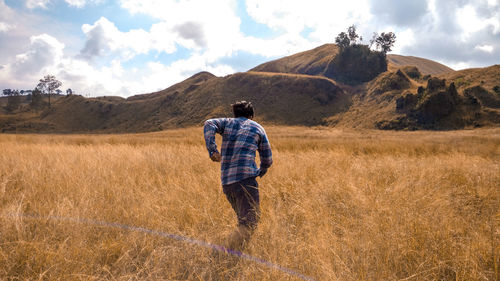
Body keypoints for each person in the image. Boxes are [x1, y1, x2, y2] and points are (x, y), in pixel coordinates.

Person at [203, 101, 273, 251]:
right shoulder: (257, 127)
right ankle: (225, 252)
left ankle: (238, 253)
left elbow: (209, 123)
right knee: (250, 222)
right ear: (251, 115)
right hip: (245, 181)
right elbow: (267, 159)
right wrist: (261, 171)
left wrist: (212, 150)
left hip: (227, 183)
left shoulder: (227, 123)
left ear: (235, 114)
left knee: (243, 220)